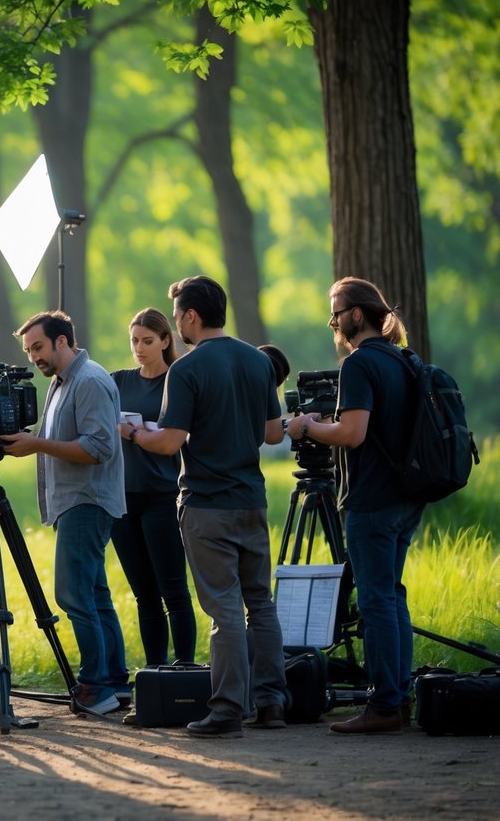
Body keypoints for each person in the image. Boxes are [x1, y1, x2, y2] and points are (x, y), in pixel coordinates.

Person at [130, 276, 288, 737]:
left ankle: (226, 711)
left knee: (223, 610)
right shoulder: (258, 361)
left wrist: (136, 434)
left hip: (206, 504)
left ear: (190, 317)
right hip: (251, 500)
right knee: (260, 603)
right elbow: (274, 434)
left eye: (177, 315)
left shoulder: (187, 369)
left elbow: (171, 441)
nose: (177, 323)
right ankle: (273, 702)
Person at [286, 277, 424, 734]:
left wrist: (307, 427)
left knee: (376, 600)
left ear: (357, 315)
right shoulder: (402, 359)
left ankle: (384, 705)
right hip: (406, 498)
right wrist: (332, 422)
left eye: (336, 311)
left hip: (372, 500)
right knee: (391, 595)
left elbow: (352, 435)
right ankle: (397, 699)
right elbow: (370, 425)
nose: (333, 321)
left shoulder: (360, 364)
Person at [0, 310, 129, 717]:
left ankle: (95, 687)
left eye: (38, 346)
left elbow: (98, 448)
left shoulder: (88, 381)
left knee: (71, 594)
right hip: (76, 502)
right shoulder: (61, 382)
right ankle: (115, 683)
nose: (33, 356)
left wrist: (36, 444)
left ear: (62, 341)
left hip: (87, 502)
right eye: (28, 350)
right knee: (94, 595)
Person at [109, 308, 196, 667]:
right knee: (144, 596)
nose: (140, 348)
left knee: (174, 591)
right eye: (134, 341)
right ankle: (155, 670)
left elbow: (179, 436)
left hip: (163, 496)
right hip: (122, 498)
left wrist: (135, 433)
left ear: (165, 340)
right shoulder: (117, 381)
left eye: (147, 341)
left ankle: (186, 668)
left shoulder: (178, 380)